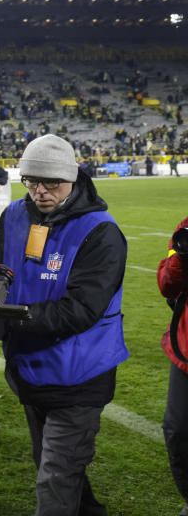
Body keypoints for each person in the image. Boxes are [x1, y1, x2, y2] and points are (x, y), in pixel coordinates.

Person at [0, 133, 128, 516]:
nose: (40, 191)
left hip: (80, 374)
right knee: (53, 462)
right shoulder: (15, 214)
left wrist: (9, 317)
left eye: (51, 183)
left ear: (73, 179)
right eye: (31, 181)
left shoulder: (101, 231)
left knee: (55, 477)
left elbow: (79, 310)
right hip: (31, 369)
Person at [159, 216, 188, 516]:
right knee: (177, 431)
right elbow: (168, 286)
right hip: (186, 346)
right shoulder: (186, 225)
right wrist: (182, 256)